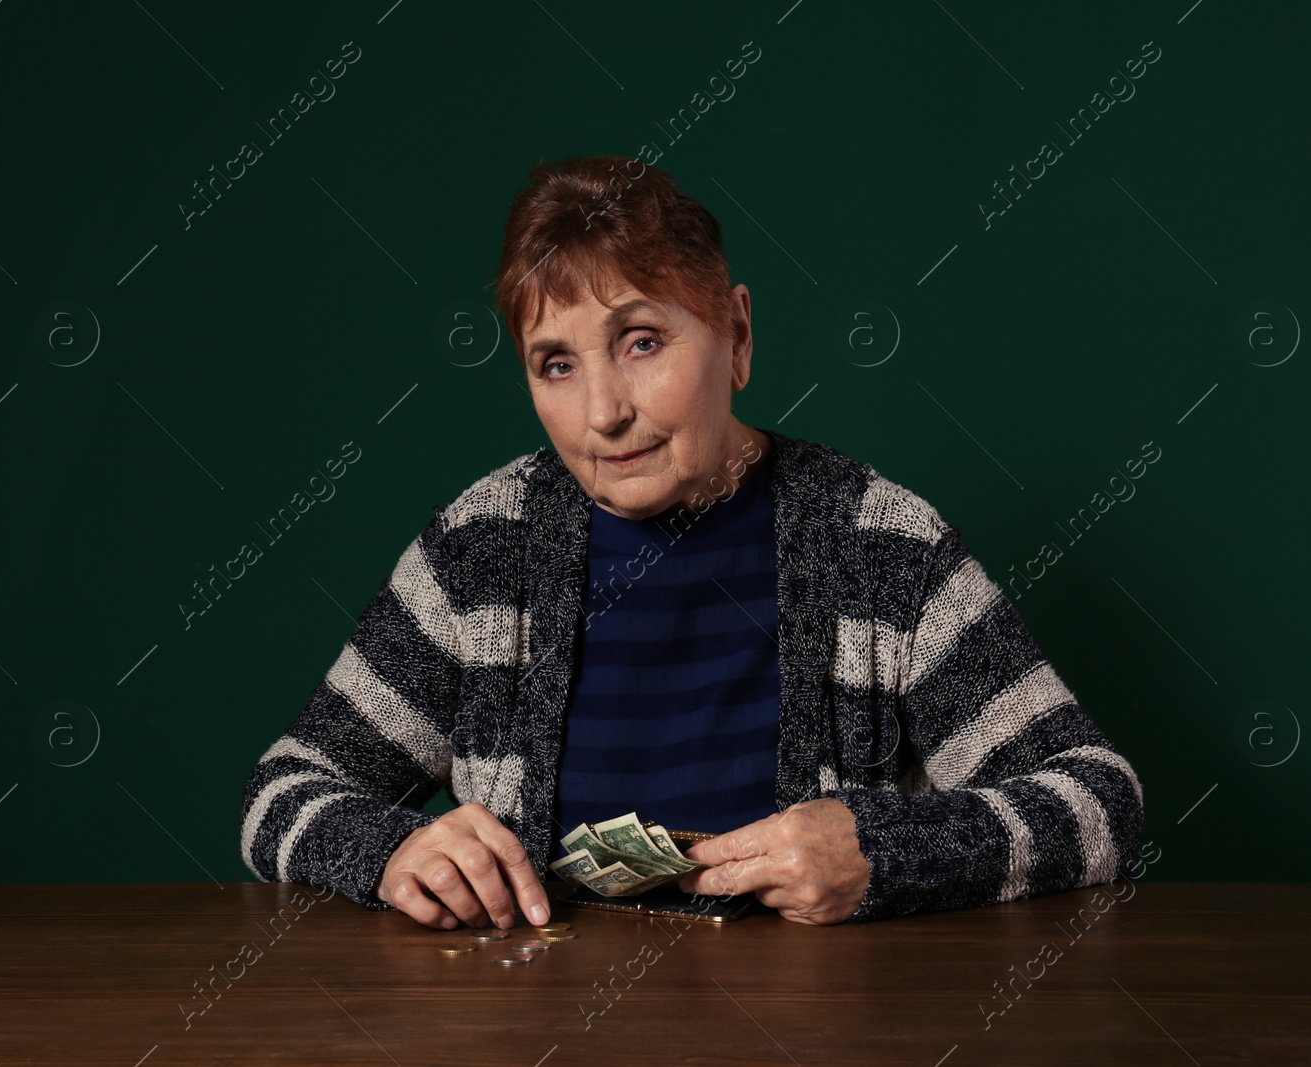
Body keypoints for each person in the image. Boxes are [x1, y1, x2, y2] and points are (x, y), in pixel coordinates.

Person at [239, 156, 1143, 928]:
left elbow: (1102, 802)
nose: (604, 412)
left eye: (640, 341)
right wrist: (396, 847)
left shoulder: (878, 546)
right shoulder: (483, 551)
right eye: (557, 363)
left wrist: (887, 848)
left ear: (737, 334)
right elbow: (284, 791)